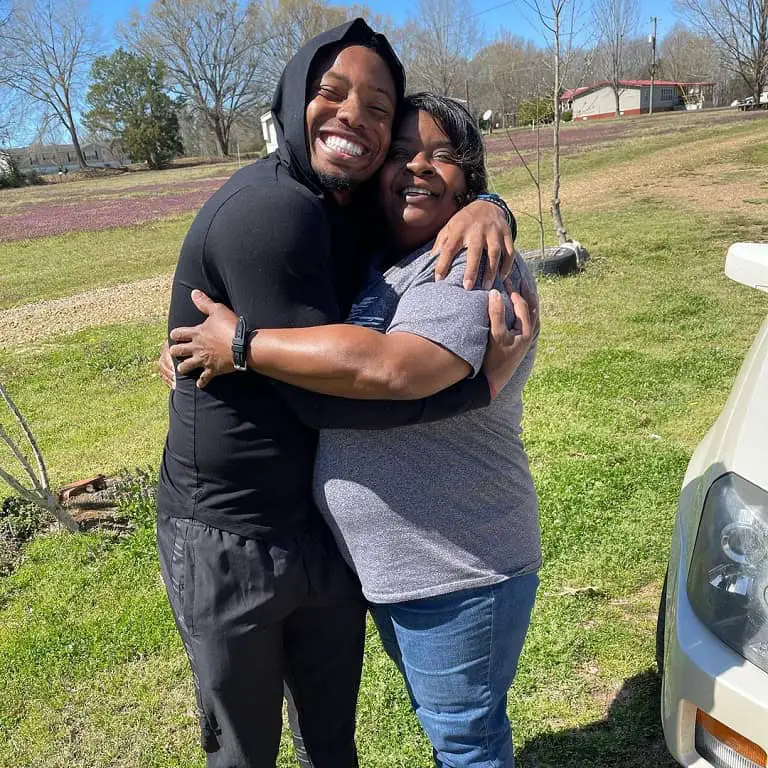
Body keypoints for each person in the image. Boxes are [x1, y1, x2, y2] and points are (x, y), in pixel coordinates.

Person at [157, 18, 520, 768]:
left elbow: (385, 359)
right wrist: (476, 390)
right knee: (244, 750)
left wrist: (494, 206)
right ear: (294, 98)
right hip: (234, 534)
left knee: (341, 742)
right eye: (332, 91)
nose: (355, 116)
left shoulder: (356, 215)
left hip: (331, 541)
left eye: (378, 109)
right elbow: (328, 397)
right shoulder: (278, 212)